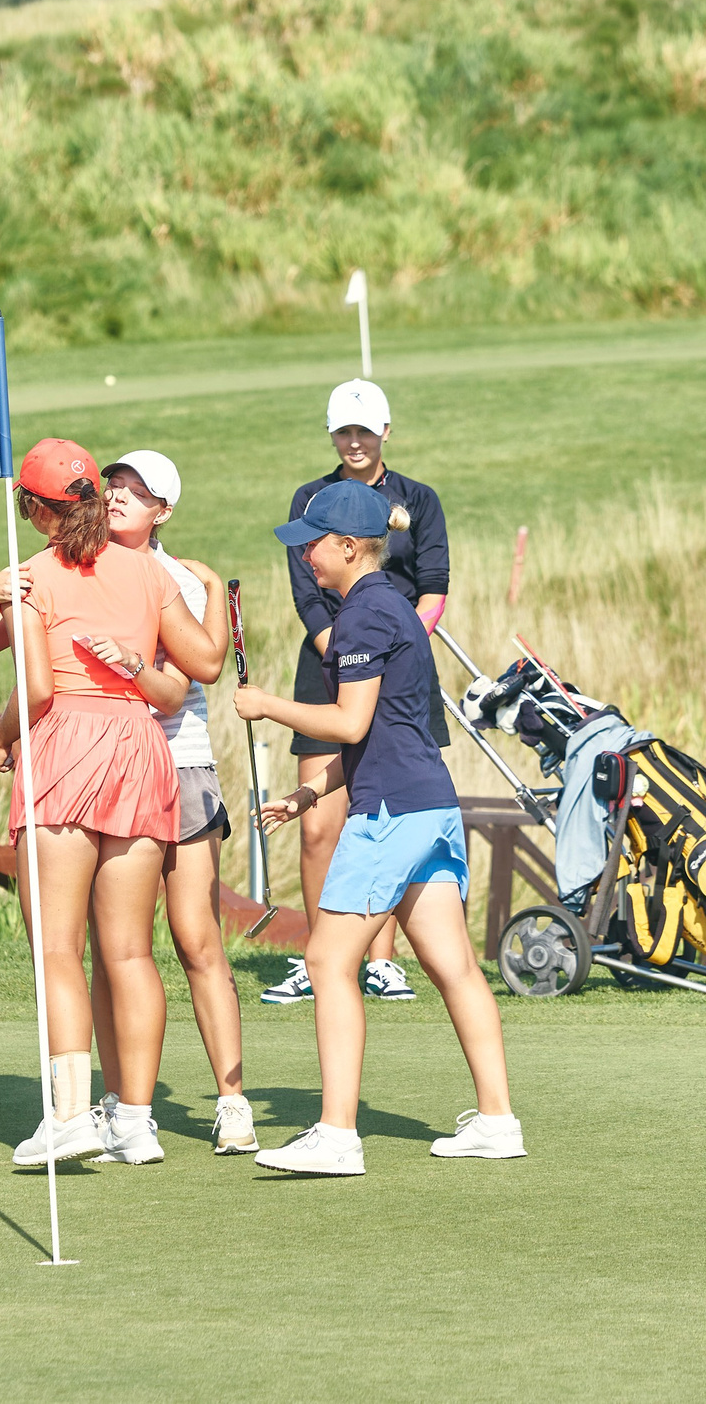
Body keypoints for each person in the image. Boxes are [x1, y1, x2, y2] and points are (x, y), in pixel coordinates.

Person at [233, 479, 522, 1176]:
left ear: (350, 546)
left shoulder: (364, 615)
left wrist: (269, 704)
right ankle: (496, 1119)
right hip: (429, 806)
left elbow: (350, 724)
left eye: (313, 546)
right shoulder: (392, 609)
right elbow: (378, 735)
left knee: (330, 960)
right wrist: (308, 795)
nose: (305, 558)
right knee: (452, 965)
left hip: (391, 813)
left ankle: (336, 1133)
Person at [0, 438, 222, 1168]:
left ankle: (72, 1115)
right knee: (131, 950)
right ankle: (134, 1121)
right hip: (141, 747)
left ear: (35, 510)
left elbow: (36, 687)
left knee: (58, 949)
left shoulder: (36, 575)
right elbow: (202, 661)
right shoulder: (144, 569)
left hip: (66, 747)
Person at [86, 450, 258, 1156]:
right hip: (106, 766)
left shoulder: (181, 578)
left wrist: (209, 589)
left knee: (196, 938)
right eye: (114, 484)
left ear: (163, 510)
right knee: (112, 946)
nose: (120, 495)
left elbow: (198, 668)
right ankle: (126, 1103)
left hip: (177, 766)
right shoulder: (82, 566)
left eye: (138, 491)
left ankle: (233, 1100)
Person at [261, 378, 451, 1009]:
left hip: (397, 658)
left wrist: (397, 653)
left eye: (365, 430)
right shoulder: (310, 498)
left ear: (385, 433)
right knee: (321, 826)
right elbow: (307, 597)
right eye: (344, 430)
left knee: (388, 805)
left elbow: (433, 586)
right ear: (332, 435)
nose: (355, 441)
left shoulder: (417, 498)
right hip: (329, 658)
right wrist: (343, 657)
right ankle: (323, 952)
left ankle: (383, 960)